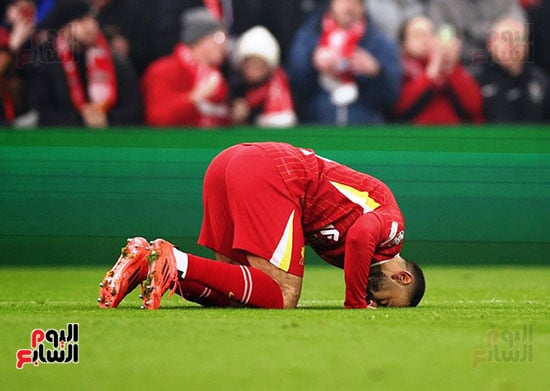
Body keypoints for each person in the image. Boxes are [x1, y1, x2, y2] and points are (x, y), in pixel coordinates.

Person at [98, 142, 426, 310]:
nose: (374, 302)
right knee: (283, 294)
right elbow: (361, 236)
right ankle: (174, 259)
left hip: (233, 163)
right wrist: (354, 303)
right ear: (402, 277)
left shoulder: (358, 253)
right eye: (384, 301)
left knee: (238, 296)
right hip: (274, 173)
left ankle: (149, 263)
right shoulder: (393, 229)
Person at [24, 0, 142, 127]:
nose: (91, 25)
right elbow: (42, 111)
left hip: (108, 136)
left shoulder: (115, 60)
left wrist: (106, 117)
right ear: (63, 28)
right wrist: (80, 119)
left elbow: (133, 108)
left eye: (92, 19)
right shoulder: (45, 62)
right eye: (81, 20)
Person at [286, 0, 402, 126]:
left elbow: (391, 98)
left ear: (363, 6)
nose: (349, 7)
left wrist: (375, 72)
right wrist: (312, 62)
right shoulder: (308, 36)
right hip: (316, 127)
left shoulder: (381, 42)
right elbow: (295, 87)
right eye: (344, 1)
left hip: (365, 129)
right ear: (332, 3)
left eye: (356, 2)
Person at [141, 7, 230, 128]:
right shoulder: (163, 71)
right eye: (219, 38)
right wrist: (193, 98)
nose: (223, 45)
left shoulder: (215, 77)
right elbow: (156, 118)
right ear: (199, 40)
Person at [392, 15, 484, 124]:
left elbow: (475, 107)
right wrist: (431, 72)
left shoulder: (451, 67)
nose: (425, 40)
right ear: (404, 43)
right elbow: (399, 106)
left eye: (430, 34)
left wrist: (451, 67)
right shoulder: (399, 69)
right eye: (418, 35)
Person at [473, 17, 550, 123]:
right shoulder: (476, 81)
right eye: (504, 40)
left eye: (517, 39)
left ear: (526, 46)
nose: (511, 45)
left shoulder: (540, 80)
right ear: (490, 44)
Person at [230, 26, 297, 128]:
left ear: (269, 67)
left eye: (258, 65)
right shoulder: (235, 87)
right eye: (249, 64)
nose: (253, 71)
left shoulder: (281, 88)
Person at [426, 0, 526, 67]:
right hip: (464, 63)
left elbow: (517, 20)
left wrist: (503, 31)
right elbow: (440, 30)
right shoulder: (441, 3)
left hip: (503, 60)